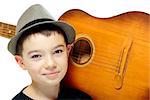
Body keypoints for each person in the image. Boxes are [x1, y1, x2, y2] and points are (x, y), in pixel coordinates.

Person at [7, 4, 92, 100]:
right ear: (21, 62)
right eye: (36, 56)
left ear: (68, 51)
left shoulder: (82, 98)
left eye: (58, 51)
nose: (50, 64)